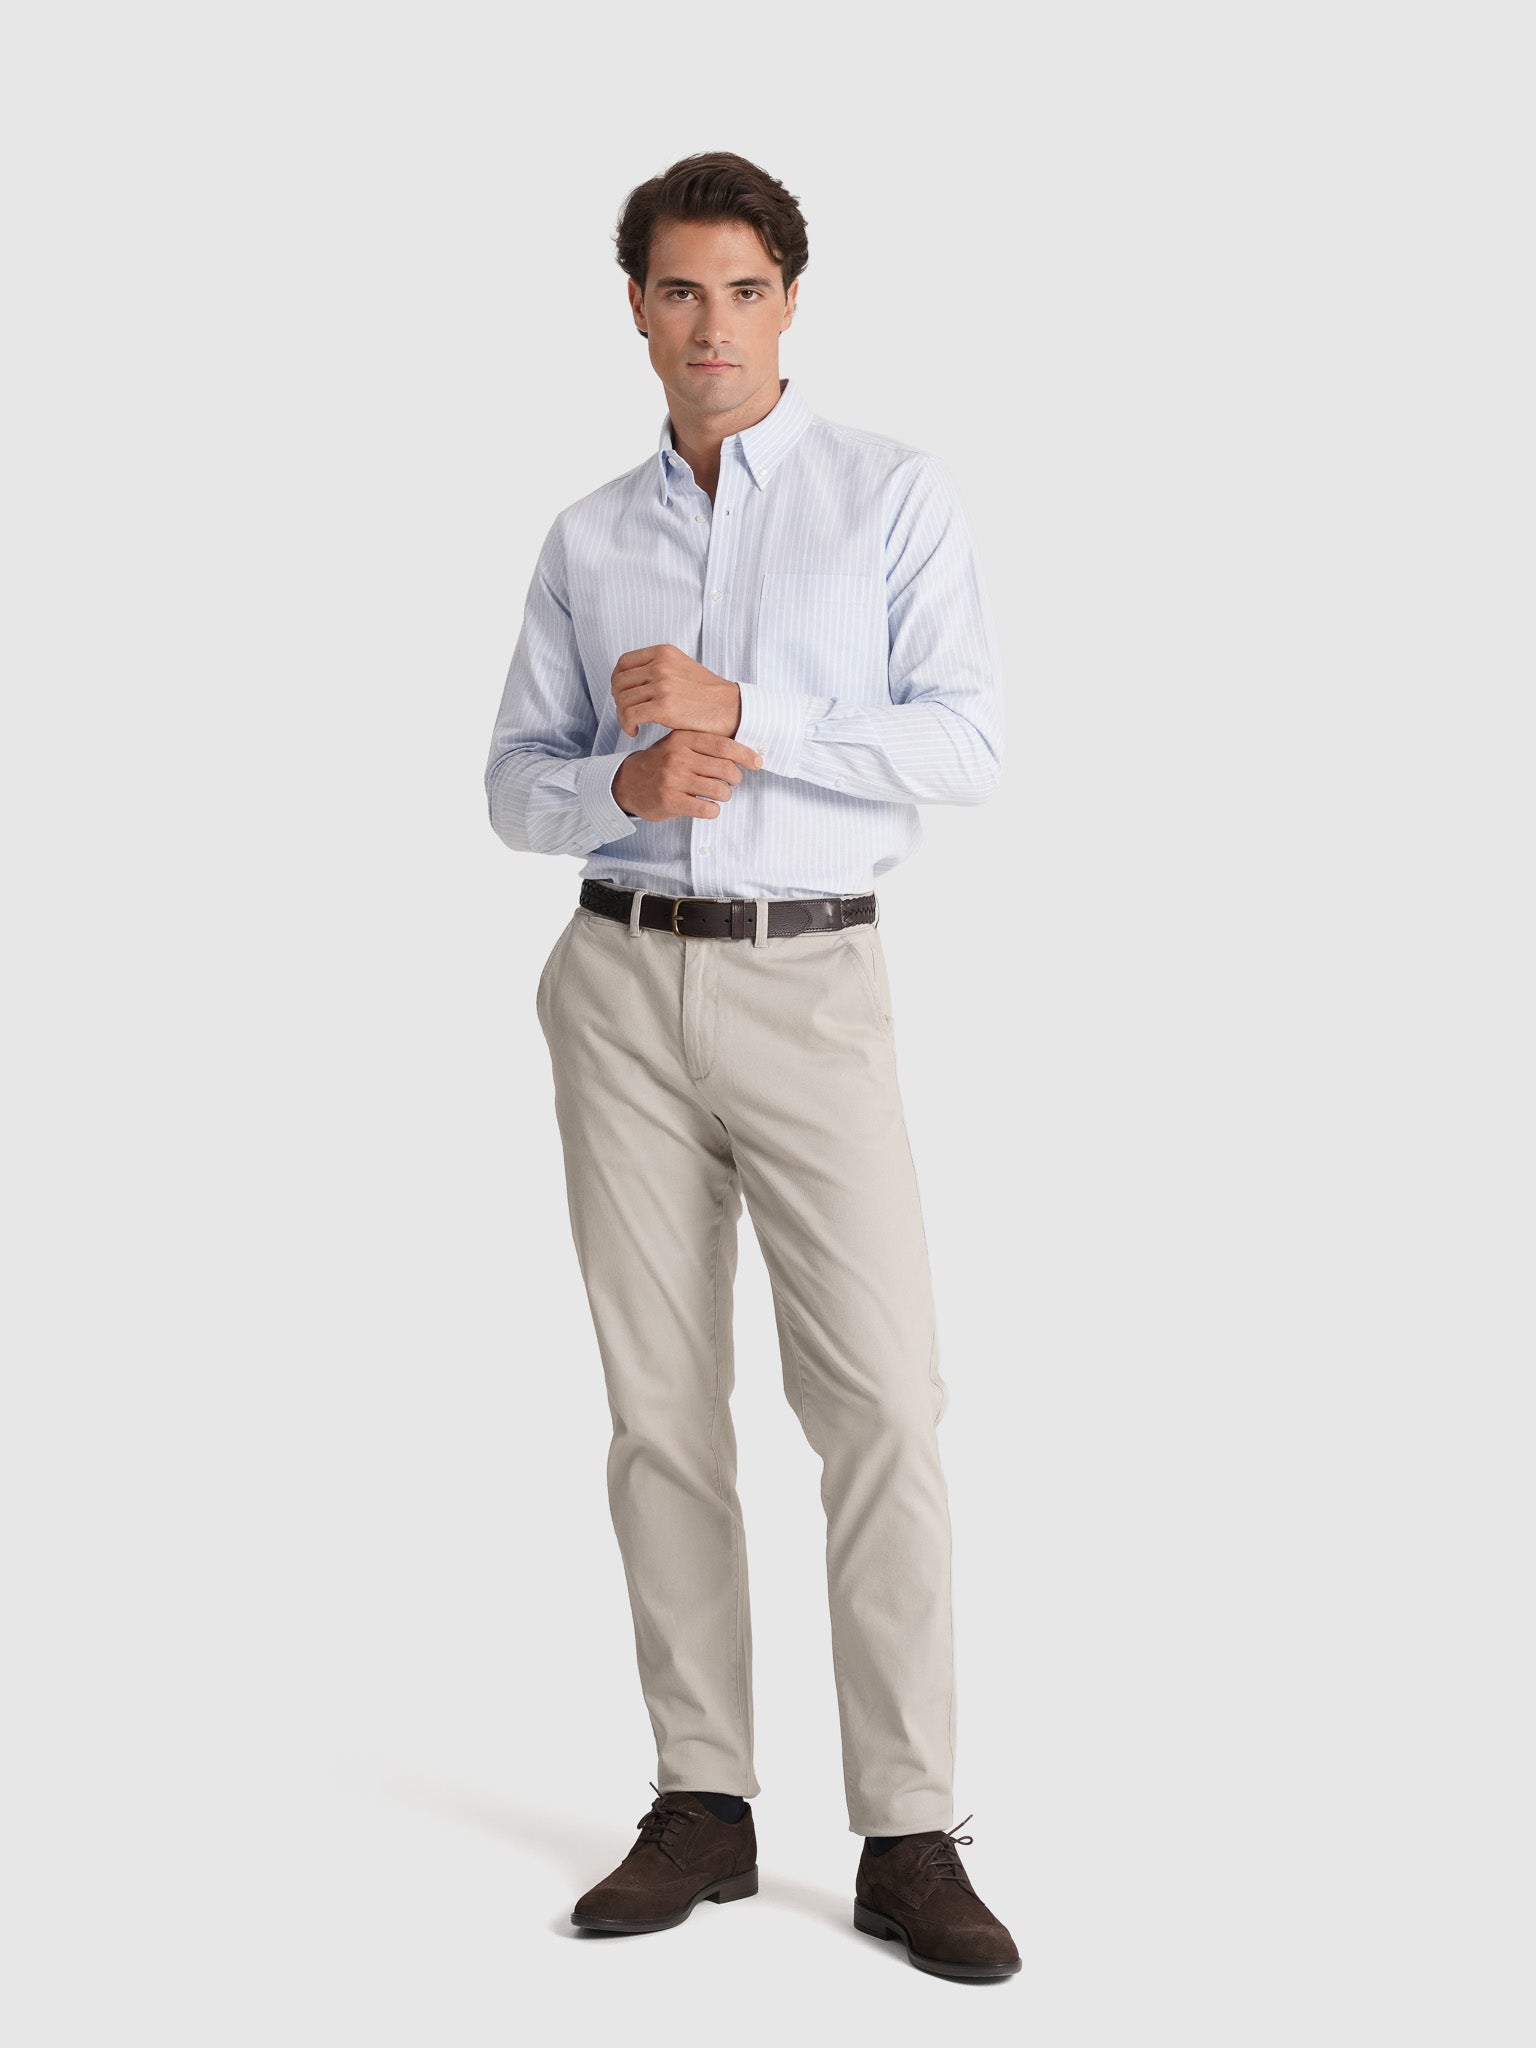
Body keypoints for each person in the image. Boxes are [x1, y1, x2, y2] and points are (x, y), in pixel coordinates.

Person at [483, 151, 1017, 1982]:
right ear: (636, 309)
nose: (711, 325)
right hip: (619, 986)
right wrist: (617, 783)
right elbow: (512, 785)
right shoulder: (585, 538)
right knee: (660, 1409)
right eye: (678, 291)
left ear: (790, 303)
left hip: (813, 985)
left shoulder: (891, 496)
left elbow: (967, 744)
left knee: (882, 1404)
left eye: (744, 291)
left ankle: (908, 1827)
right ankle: (701, 1802)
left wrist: (748, 718)